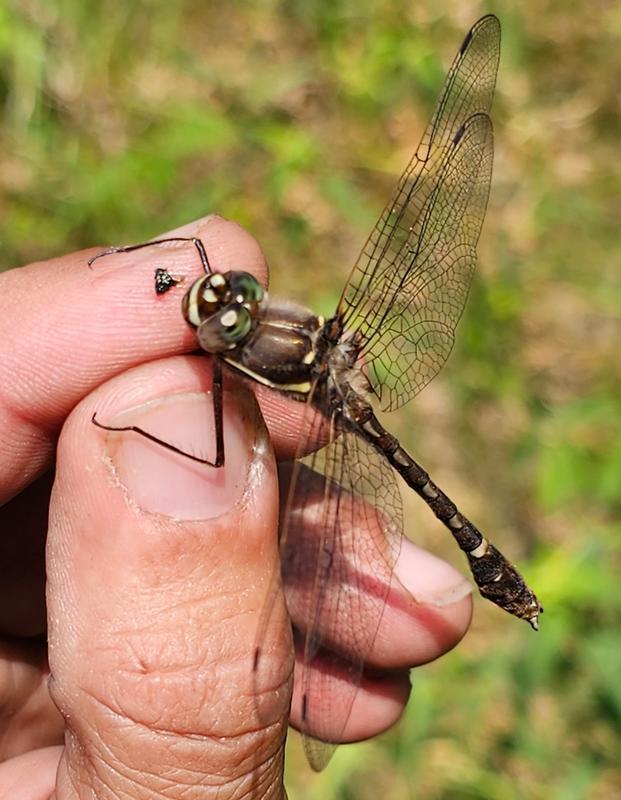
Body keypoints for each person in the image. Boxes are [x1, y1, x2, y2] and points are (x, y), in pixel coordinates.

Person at [0, 215, 473, 799]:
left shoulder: (245, 366)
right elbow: (199, 247)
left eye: (235, 302)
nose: (222, 299)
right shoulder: (266, 350)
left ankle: (481, 557)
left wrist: (131, 432)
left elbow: (213, 460)